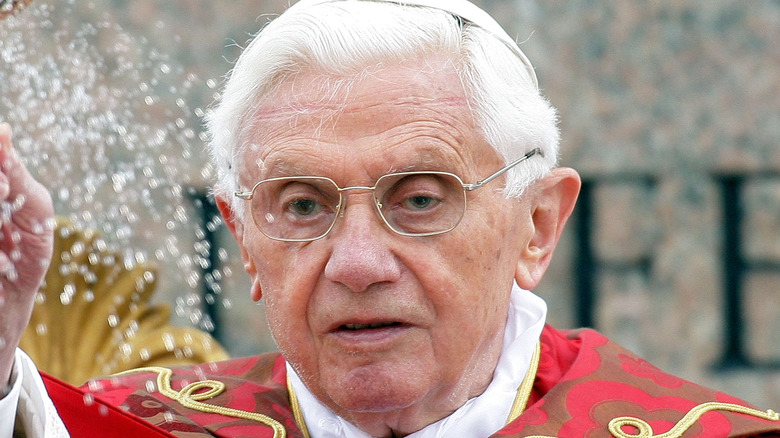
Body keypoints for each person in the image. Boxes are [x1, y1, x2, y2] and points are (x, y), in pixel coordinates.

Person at [1, 0, 779, 436]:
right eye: (302, 205)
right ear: (243, 240)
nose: (358, 263)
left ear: (536, 228)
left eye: (419, 199)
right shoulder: (136, 428)